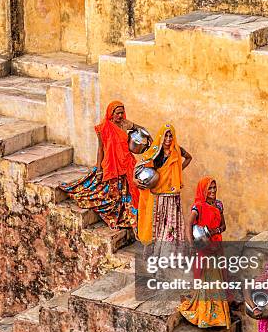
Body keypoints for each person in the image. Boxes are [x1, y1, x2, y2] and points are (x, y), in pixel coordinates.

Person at [60, 100, 144, 230]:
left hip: (126, 163)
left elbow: (141, 129)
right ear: (111, 113)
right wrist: (99, 169)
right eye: (117, 113)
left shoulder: (126, 124)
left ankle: (128, 217)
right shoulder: (103, 128)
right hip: (111, 164)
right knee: (108, 194)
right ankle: (113, 217)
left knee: (128, 194)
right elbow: (100, 149)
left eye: (122, 113)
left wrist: (146, 139)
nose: (120, 116)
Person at [179, 177, 230, 328]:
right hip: (204, 246)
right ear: (203, 190)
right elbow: (189, 224)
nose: (213, 191)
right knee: (206, 278)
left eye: (214, 188)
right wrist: (192, 244)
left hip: (216, 245)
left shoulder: (219, 205)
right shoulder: (198, 206)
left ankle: (218, 315)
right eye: (210, 188)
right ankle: (205, 315)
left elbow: (224, 225)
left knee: (218, 277)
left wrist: (215, 231)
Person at [136, 124, 192, 258]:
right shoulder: (156, 151)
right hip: (158, 196)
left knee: (171, 226)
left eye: (170, 135)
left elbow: (189, 157)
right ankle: (155, 254)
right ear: (161, 136)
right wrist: (135, 179)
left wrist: (178, 171)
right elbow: (139, 165)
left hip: (172, 196)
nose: (168, 138)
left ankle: (169, 255)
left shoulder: (177, 151)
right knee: (157, 225)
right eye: (166, 135)